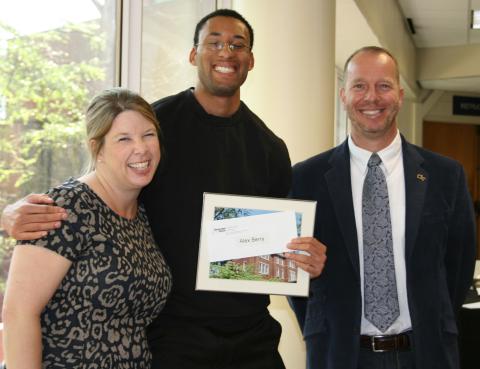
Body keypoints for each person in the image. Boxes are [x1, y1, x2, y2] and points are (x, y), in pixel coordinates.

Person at [0, 9, 327, 369]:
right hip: (172, 338)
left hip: (252, 337)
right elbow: (96, 194)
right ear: (193, 54)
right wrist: (10, 213)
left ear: (250, 60)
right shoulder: (156, 127)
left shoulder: (270, 148)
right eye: (213, 42)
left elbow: (277, 245)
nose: (225, 52)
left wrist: (301, 258)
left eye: (237, 44)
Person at [288, 46, 476, 369]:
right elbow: (297, 274)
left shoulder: (446, 175)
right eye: (359, 86)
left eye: (383, 86)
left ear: (400, 96)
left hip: (425, 354)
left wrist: (435, 322)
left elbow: (457, 267)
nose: (371, 98)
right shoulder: (306, 178)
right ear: (343, 95)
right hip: (340, 356)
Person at [1, 88, 172, 368]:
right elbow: (18, 312)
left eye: (148, 135)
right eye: (123, 139)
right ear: (97, 148)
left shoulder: (141, 214)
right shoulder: (68, 206)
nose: (141, 148)